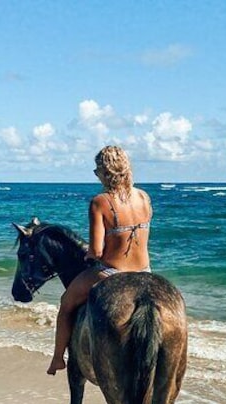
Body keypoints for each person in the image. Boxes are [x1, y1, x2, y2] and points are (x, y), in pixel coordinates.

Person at [47, 146, 153, 375]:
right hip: (145, 272)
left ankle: (57, 359)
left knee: (66, 303)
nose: (97, 176)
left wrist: (90, 254)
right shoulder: (144, 197)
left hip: (112, 272)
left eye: (97, 171)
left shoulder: (100, 201)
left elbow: (96, 251)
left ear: (105, 173)